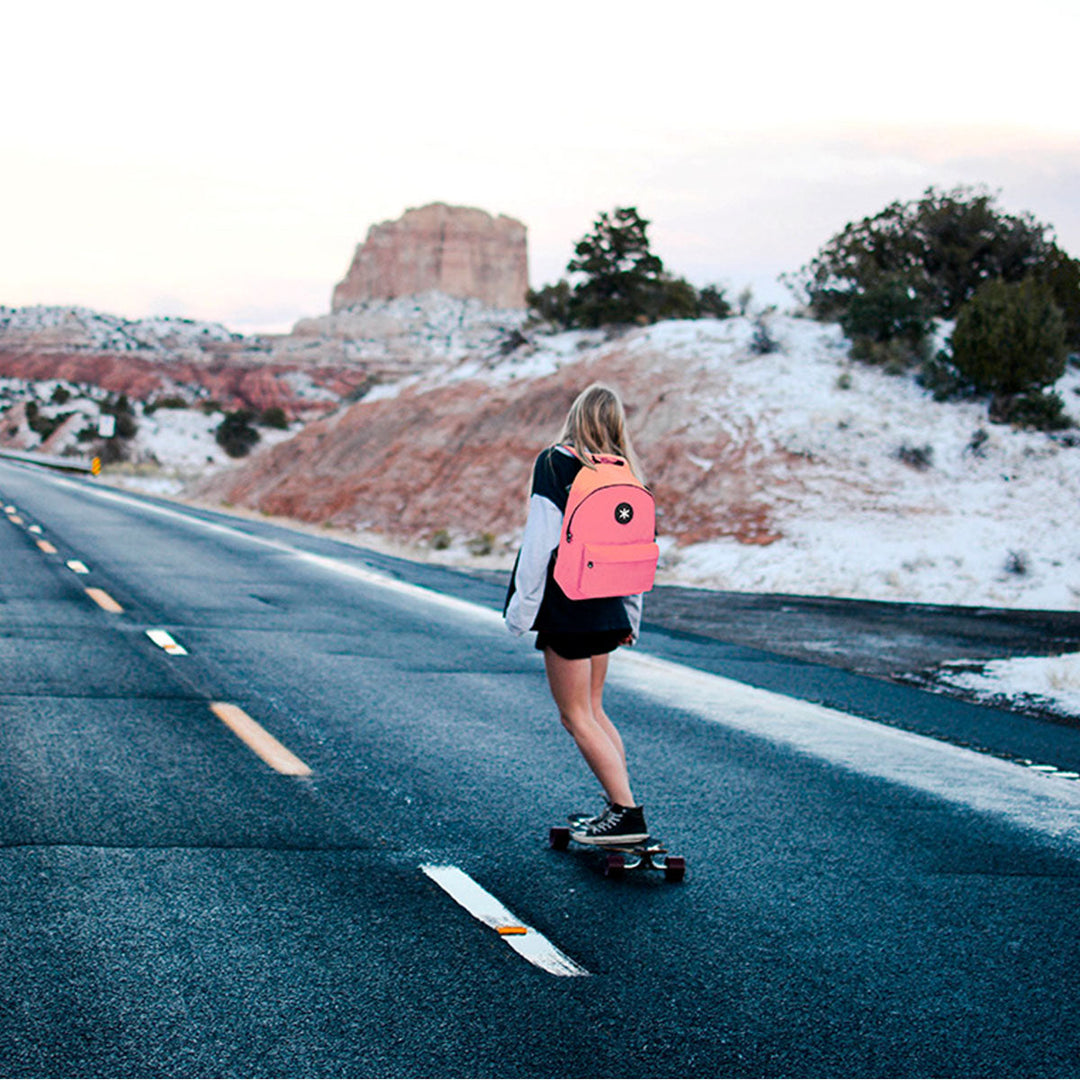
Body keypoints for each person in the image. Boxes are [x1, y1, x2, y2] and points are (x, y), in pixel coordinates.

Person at [504, 383, 649, 845]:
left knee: (575, 717)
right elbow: (637, 553)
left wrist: (520, 610)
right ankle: (618, 805)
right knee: (594, 709)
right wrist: (629, 618)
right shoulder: (626, 474)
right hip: (607, 606)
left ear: (576, 416)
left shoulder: (555, 464)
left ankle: (626, 812)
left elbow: (540, 542)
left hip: (567, 607)